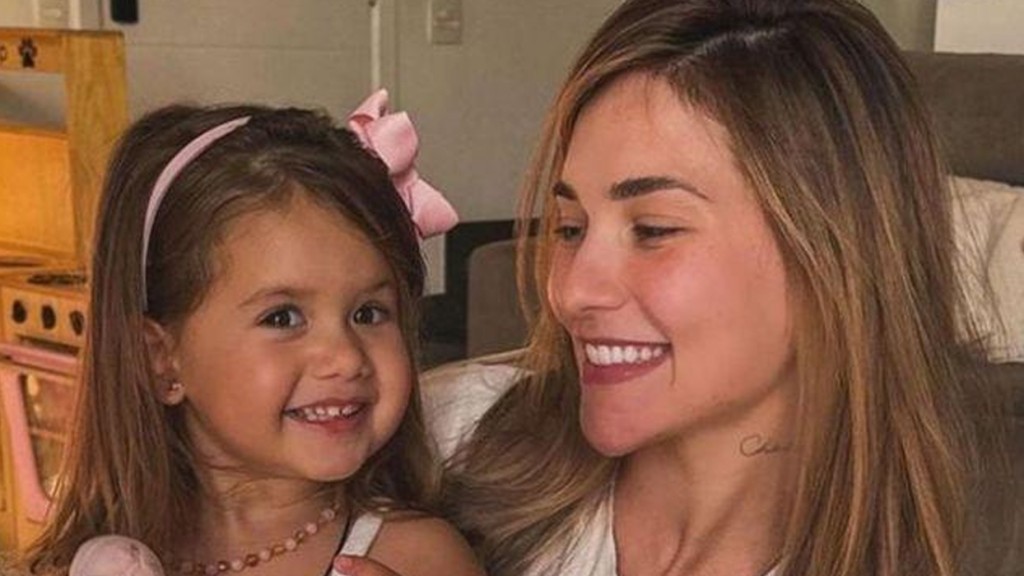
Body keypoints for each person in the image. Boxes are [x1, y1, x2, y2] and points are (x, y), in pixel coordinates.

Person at [428, 1, 1020, 575]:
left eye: (654, 229)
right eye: (570, 228)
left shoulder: (978, 540)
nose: (572, 292)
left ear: (833, 253)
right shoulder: (446, 435)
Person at [18, 91, 483, 576]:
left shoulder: (420, 557)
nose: (346, 357)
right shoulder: (97, 562)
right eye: (283, 318)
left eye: (368, 313)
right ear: (161, 360)